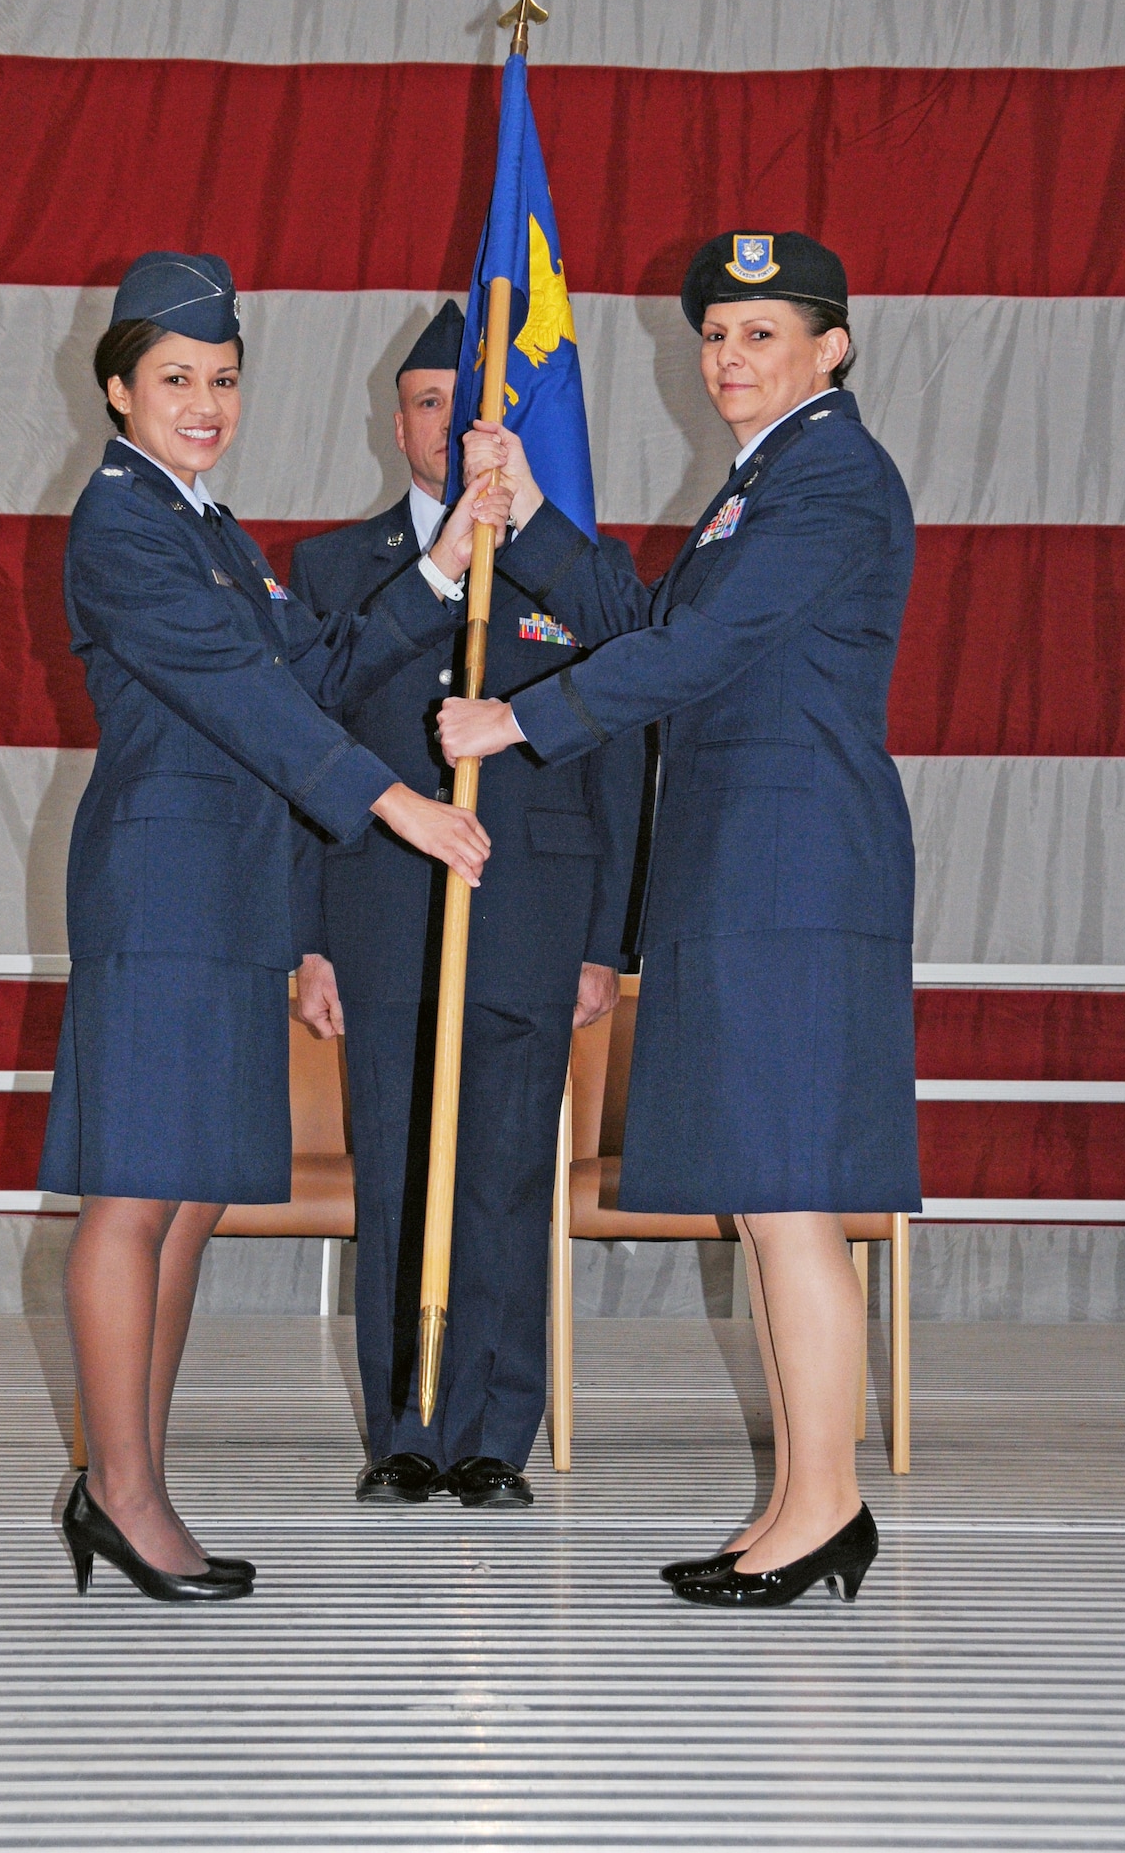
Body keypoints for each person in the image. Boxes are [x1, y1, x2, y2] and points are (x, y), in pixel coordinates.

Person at [437, 232, 921, 1606]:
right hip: (743, 869)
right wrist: (527, 517)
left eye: (761, 335)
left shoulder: (829, 476)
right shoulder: (762, 483)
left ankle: (824, 1508)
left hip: (793, 873)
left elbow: (697, 653)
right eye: (716, 336)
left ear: (831, 346)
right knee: (767, 1207)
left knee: (790, 1204)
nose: (727, 359)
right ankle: (799, 1500)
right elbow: (656, 618)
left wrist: (514, 719)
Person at [40, 254, 509, 1602]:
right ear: (119, 389)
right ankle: (121, 1493)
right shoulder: (123, 523)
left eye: (224, 380)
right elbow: (249, 706)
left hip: (227, 893)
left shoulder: (207, 526)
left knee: (183, 1203)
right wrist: (400, 807)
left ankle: (129, 1475)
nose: (205, 403)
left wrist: (438, 566)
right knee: (134, 1198)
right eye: (177, 380)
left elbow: (312, 666)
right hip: (162, 893)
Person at [289, 302, 646, 1506]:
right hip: (381, 908)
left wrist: (606, 940)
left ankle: (494, 1428)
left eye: (469, 402)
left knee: (502, 1169)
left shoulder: (574, 563)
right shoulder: (336, 568)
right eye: (428, 401)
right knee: (394, 1166)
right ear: (396, 424)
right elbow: (303, 748)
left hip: (534, 906)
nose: (450, 423)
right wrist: (309, 938)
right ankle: (405, 1425)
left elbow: (619, 744)